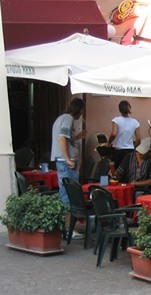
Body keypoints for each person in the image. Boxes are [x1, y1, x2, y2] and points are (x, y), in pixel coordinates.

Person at [51, 97, 87, 239]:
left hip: (62, 161)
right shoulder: (68, 119)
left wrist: (78, 136)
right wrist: (67, 159)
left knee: (64, 192)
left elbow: (67, 138)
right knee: (69, 194)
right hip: (67, 162)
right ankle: (68, 229)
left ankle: (64, 227)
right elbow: (62, 138)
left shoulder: (60, 118)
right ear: (78, 110)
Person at [105, 100, 141, 167]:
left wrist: (109, 143)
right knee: (128, 171)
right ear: (129, 108)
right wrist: (134, 147)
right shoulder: (135, 122)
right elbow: (138, 138)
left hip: (118, 151)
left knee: (118, 171)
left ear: (119, 109)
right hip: (130, 151)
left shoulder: (116, 120)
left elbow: (114, 134)